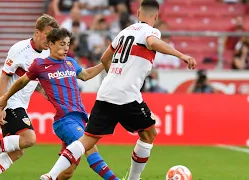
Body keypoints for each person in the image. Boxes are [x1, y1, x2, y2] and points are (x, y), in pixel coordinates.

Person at [39, 1, 197, 180]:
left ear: (138, 13)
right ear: (156, 17)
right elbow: (152, 42)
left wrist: (115, 75)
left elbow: (105, 57)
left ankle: (50, 176)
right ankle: (133, 179)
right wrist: (181, 55)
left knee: (86, 140)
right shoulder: (151, 32)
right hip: (127, 94)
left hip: (106, 91)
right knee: (149, 133)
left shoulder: (124, 32)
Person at [0, 28, 119, 180]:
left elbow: (86, 75)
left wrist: (104, 63)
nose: (66, 48)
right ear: (50, 44)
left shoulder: (70, 63)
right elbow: (21, 82)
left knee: (67, 172)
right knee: (90, 148)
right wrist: (4, 98)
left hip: (80, 118)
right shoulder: (40, 65)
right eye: (62, 44)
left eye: (68, 44)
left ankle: (51, 177)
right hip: (64, 120)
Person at [0, 14, 59, 180]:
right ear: (37, 32)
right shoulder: (20, 49)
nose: (50, 39)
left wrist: (44, 92)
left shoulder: (46, 54)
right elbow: (4, 77)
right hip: (9, 102)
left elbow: (30, 79)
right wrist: (1, 106)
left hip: (20, 104)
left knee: (16, 152)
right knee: (29, 139)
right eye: (47, 34)